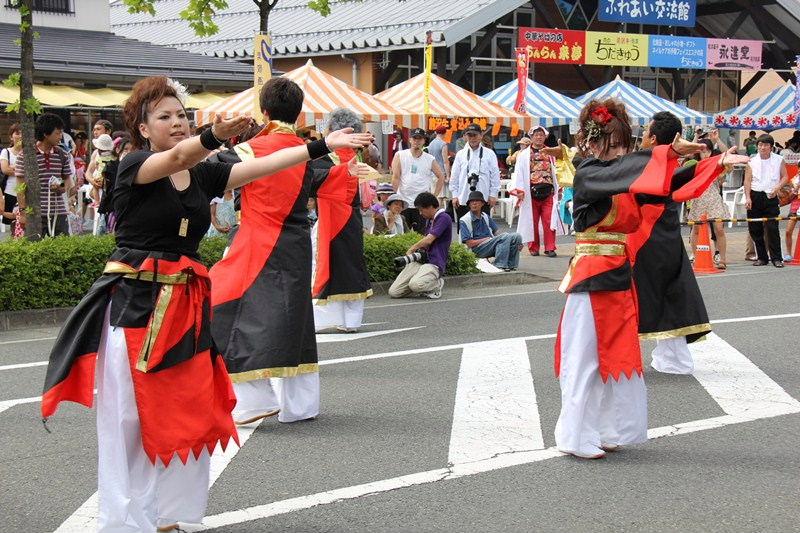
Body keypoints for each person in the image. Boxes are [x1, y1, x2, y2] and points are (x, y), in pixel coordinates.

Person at [40, 75, 370, 533]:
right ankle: (126, 522)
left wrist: (319, 147)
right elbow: (177, 155)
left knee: (191, 413)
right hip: (136, 307)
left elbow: (259, 168)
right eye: (165, 117)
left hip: (185, 308)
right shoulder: (132, 165)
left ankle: (172, 517)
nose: (177, 124)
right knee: (130, 420)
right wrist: (214, 135)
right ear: (142, 127)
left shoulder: (202, 172)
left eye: (182, 115)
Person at [553, 99, 739, 460]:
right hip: (591, 279)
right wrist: (668, 151)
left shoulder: (622, 174)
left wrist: (710, 162)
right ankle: (574, 435)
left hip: (620, 276)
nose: (622, 151)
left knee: (616, 359)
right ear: (594, 143)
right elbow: (633, 171)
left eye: (625, 143)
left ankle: (607, 429)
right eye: (615, 143)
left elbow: (665, 185)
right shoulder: (590, 172)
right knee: (586, 362)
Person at [209, 78, 372, 426]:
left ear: (264, 111)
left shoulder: (251, 149)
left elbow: (210, 173)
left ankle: (255, 397)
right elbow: (327, 187)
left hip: (256, 239)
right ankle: (301, 406)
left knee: (223, 308)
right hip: (295, 241)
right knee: (294, 320)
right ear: (299, 113)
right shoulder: (309, 150)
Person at [630, 112, 737, 375]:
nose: (642, 135)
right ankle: (669, 357)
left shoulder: (650, 165)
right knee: (665, 295)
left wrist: (714, 163)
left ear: (653, 137)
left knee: (654, 296)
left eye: (646, 132)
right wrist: (715, 163)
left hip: (649, 238)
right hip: (660, 236)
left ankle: (670, 358)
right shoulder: (664, 164)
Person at [310, 107, 373, 334]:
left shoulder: (325, 157)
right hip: (352, 217)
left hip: (329, 217)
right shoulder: (354, 156)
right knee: (352, 265)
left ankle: (323, 320)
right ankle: (352, 321)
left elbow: (310, 182)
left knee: (322, 263)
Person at [14, 113, 75, 237]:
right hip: (35, 213)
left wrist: (61, 187)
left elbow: (68, 180)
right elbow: (20, 187)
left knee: (63, 248)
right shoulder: (26, 155)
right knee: (35, 249)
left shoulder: (62, 154)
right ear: (46, 134)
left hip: (59, 211)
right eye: (57, 133)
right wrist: (23, 212)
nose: (61, 136)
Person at [388, 192, 452, 299]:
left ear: (430, 207)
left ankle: (436, 284)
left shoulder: (444, 217)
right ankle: (420, 284)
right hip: (419, 260)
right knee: (394, 292)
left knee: (415, 285)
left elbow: (429, 240)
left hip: (434, 263)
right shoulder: (429, 220)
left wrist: (412, 248)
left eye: (421, 210)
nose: (420, 213)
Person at [510, 125, 558, 257]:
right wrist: (518, 190)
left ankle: (550, 247)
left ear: (545, 137)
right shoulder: (523, 155)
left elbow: (557, 171)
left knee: (549, 220)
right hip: (531, 193)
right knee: (532, 221)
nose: (538, 137)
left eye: (541, 135)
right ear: (531, 137)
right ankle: (533, 247)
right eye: (536, 135)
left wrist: (559, 187)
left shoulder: (551, 153)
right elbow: (519, 173)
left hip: (548, 192)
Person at [745, 134, 789, 267]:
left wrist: (778, 187)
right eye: (760, 145)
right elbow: (747, 181)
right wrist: (747, 197)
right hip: (755, 195)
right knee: (755, 228)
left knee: (772, 228)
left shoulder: (778, 159)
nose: (762, 147)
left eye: (765, 145)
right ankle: (762, 257)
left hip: (771, 195)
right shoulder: (751, 161)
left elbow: (785, 176)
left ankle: (776, 258)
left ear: (771, 147)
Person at [687, 136, 730, 269]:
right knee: (696, 230)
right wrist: (695, 140)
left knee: (719, 229)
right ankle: (697, 256)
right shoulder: (694, 165)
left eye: (708, 151)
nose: (705, 153)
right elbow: (687, 153)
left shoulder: (717, 165)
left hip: (714, 199)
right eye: (702, 151)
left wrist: (717, 139)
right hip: (698, 199)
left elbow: (727, 155)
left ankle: (722, 259)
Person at [391, 127, 445, 232]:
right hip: (403, 202)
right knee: (401, 234)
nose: (417, 141)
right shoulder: (400, 155)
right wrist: (393, 198)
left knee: (421, 235)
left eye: (420, 139)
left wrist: (435, 195)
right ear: (410, 139)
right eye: (414, 138)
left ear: (424, 141)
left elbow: (441, 176)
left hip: (422, 205)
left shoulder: (429, 158)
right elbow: (396, 177)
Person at [459, 191, 522, 271]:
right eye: (472, 201)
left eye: (477, 201)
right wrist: (486, 239)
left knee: (516, 236)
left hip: (490, 243)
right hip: (476, 249)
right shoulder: (464, 220)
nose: (474, 203)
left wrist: (512, 240)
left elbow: (497, 233)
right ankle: (499, 265)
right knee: (505, 237)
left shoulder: (485, 216)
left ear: (482, 204)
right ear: (469, 204)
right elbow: (469, 244)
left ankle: (511, 265)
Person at [450, 123, 501, 221]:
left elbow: (495, 175)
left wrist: (493, 194)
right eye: (470, 135)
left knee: (483, 231)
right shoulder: (460, 154)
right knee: (464, 231)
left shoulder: (489, 153)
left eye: (475, 135)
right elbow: (454, 176)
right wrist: (454, 195)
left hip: (483, 198)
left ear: (481, 136)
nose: (472, 138)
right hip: (464, 198)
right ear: (465, 136)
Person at [1, 123, 22, 229]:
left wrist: (14, 167)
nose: (20, 136)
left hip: (25, 192)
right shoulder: (6, 152)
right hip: (10, 191)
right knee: (11, 223)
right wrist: (22, 171)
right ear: (11, 136)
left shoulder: (29, 153)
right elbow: (5, 169)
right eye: (17, 133)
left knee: (24, 221)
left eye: (22, 133)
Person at [428, 125, 451, 207]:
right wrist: (448, 175)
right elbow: (445, 161)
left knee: (434, 194)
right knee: (440, 197)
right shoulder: (443, 144)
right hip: (441, 173)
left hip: (432, 172)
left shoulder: (431, 144)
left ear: (435, 132)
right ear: (445, 133)